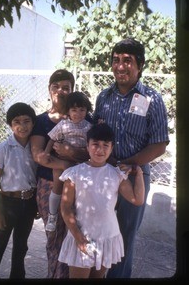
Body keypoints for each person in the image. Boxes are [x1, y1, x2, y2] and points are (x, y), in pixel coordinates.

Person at [93, 38, 170, 278]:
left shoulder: (153, 99)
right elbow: (95, 133)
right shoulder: (103, 98)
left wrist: (131, 163)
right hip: (103, 173)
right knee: (98, 230)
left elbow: (159, 144)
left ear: (140, 65)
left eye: (128, 61)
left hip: (135, 176)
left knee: (125, 237)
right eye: (116, 60)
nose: (120, 66)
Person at [58, 123, 145, 279]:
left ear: (111, 148)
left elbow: (137, 199)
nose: (100, 149)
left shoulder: (117, 175)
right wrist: (78, 237)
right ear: (87, 146)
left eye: (106, 145)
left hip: (107, 237)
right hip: (83, 236)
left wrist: (138, 174)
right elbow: (65, 207)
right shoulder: (74, 173)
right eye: (95, 144)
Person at [30, 69, 91, 278]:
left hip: (81, 187)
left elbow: (97, 153)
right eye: (56, 87)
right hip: (49, 184)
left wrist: (70, 153)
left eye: (66, 87)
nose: (61, 91)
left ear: (72, 90)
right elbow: (38, 154)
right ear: (49, 90)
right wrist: (62, 162)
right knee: (54, 237)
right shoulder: (41, 121)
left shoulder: (84, 119)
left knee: (76, 236)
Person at [0, 102, 38, 279]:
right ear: (10, 125)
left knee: (21, 247)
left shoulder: (35, 147)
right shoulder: (3, 148)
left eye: (26, 121)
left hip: (28, 203)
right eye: (16, 122)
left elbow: (37, 176)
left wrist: (36, 203)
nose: (22, 126)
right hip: (8, 204)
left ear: (33, 123)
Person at [44, 91, 92, 232]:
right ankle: (52, 216)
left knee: (78, 191)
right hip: (62, 161)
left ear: (86, 110)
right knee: (57, 187)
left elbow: (91, 145)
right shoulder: (63, 125)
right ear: (68, 111)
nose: (78, 113)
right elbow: (52, 139)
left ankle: (78, 217)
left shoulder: (89, 127)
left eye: (82, 110)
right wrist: (46, 153)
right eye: (74, 110)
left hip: (80, 163)